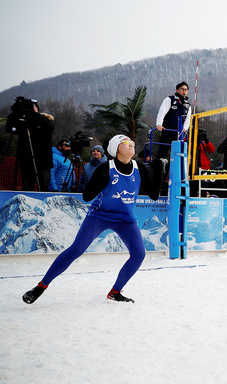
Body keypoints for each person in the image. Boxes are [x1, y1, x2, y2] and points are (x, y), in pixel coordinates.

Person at [22, 135, 163, 304]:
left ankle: (115, 292)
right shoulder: (106, 168)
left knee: (139, 254)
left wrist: (159, 172)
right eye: (126, 142)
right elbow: (87, 195)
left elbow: (154, 195)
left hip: (125, 219)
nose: (131, 144)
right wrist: (102, 181)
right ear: (116, 149)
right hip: (100, 215)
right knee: (77, 249)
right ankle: (40, 287)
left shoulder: (138, 167)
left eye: (132, 142)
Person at [5, 96, 54, 191]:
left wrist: (36, 114)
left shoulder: (44, 120)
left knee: (43, 186)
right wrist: (16, 112)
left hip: (43, 160)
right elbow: (9, 128)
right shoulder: (23, 123)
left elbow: (50, 128)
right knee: (27, 186)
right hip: (26, 159)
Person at [154, 82, 191, 159]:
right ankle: (158, 165)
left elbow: (188, 118)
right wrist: (159, 124)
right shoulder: (170, 99)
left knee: (178, 152)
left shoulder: (188, 105)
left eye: (186, 90)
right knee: (163, 150)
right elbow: (162, 112)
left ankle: (177, 167)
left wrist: (185, 128)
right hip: (168, 129)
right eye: (182, 89)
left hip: (179, 132)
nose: (184, 91)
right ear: (177, 90)